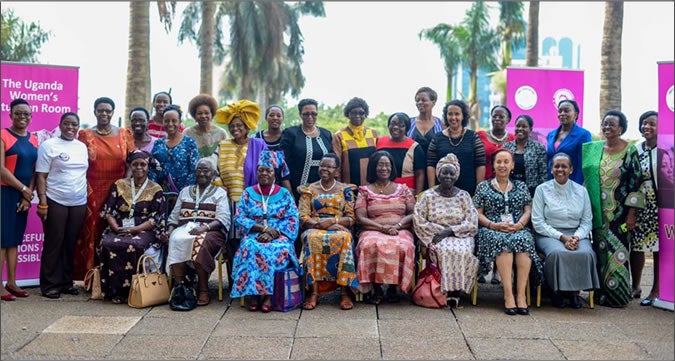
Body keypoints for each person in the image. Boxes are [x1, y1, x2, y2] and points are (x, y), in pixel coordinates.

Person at [582, 110, 643, 308]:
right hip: (597, 213)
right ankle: (600, 294)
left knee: (618, 253)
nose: (607, 127)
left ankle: (617, 296)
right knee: (600, 253)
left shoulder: (629, 150)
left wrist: (632, 214)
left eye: (612, 124)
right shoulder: (595, 149)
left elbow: (636, 183)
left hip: (621, 216)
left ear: (621, 128)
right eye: (605, 124)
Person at [473, 148, 543, 316]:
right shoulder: (483, 187)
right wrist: (492, 225)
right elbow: (477, 213)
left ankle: (521, 296)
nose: (502, 165)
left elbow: (528, 210)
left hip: (517, 228)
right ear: (493, 165)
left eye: (506, 162)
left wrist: (520, 224)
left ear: (512, 165)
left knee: (524, 241)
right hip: (491, 230)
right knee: (503, 243)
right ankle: (508, 295)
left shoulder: (521, 186)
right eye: (499, 162)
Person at [230, 151, 300, 312]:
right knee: (250, 247)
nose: (264, 173)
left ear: (274, 173)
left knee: (274, 249)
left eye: (268, 170)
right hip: (254, 233)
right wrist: (263, 229)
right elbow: (239, 217)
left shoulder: (284, 194)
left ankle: (268, 295)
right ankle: (253, 294)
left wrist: (271, 233)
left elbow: (292, 219)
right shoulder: (248, 193)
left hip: (279, 235)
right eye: (261, 170)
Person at [76, 97, 134, 281]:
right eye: (100, 110)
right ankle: (90, 278)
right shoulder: (85, 134)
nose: (104, 114)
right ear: (94, 112)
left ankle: (113, 277)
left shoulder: (124, 134)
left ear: (112, 112)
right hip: (92, 190)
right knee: (92, 232)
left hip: (118, 189)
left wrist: (125, 181)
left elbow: (133, 161)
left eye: (108, 110)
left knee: (116, 230)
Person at [532, 152, 599, 308]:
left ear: (571, 169)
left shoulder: (581, 191)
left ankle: (574, 293)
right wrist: (562, 237)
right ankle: (557, 292)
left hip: (577, 233)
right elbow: (538, 222)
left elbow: (587, 221)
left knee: (586, 253)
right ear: (551, 169)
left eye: (564, 166)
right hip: (548, 233)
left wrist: (575, 237)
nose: (560, 169)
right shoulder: (542, 190)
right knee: (557, 253)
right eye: (556, 166)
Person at [99, 150, 166, 304]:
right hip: (119, 226)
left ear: (148, 167)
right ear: (130, 166)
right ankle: (114, 291)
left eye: (143, 164)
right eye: (135, 164)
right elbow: (108, 211)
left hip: (144, 229)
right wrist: (115, 228)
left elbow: (155, 219)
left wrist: (134, 230)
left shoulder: (156, 189)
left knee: (135, 244)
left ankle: (135, 290)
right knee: (108, 243)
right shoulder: (119, 184)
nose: (139, 168)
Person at [413, 153, 479, 306]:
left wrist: (450, 230)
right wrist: (439, 231)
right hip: (435, 236)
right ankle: (440, 290)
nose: (448, 176)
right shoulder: (427, 196)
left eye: (451, 173)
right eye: (444, 172)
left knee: (462, 251)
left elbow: (472, 222)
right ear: (438, 174)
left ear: (456, 176)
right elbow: (419, 220)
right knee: (442, 249)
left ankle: (456, 291)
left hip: (460, 236)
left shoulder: (464, 196)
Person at [35, 112, 89, 299]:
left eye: (74, 124)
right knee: (54, 242)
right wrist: (42, 200)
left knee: (70, 243)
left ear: (78, 126)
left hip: (79, 202)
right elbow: (41, 175)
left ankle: (66, 282)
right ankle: (50, 284)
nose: (70, 127)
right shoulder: (48, 145)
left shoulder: (82, 147)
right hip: (55, 199)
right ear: (60, 125)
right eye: (66, 124)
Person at [165, 158, 230, 306]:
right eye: (199, 170)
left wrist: (204, 228)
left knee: (200, 242)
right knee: (175, 239)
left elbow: (222, 219)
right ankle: (180, 287)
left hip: (211, 231)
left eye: (206, 170)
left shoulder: (219, 193)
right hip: (185, 229)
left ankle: (203, 289)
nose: (202, 173)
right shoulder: (185, 191)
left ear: (213, 174)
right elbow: (174, 218)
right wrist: (169, 232)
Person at [298, 153, 358, 310]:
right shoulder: (309, 189)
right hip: (314, 227)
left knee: (345, 238)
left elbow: (351, 218)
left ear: (337, 171)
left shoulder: (345, 190)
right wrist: (323, 225)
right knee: (311, 239)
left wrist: (333, 221)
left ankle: (345, 292)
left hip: (339, 226)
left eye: (329, 167)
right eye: (322, 166)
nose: (324, 169)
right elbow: (303, 217)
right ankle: (314, 292)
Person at [355, 151, 416, 304]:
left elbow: (414, 213)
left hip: (399, 228)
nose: (384, 168)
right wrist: (382, 228)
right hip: (373, 228)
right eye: (380, 165)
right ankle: (376, 289)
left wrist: (398, 225)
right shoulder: (364, 190)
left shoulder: (403, 189)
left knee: (404, 245)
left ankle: (393, 288)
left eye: (387, 165)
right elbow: (360, 217)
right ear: (373, 168)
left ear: (392, 168)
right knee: (370, 245)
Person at [1, 98, 38, 301]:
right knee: (2, 241)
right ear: (10, 114)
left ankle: (12, 283)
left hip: (23, 195)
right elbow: (1, 170)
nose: (22, 117)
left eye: (26, 114)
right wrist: (24, 189)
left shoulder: (33, 139)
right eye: (18, 113)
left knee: (14, 240)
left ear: (31, 116)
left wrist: (27, 194)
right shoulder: (3, 135)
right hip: (5, 193)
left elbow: (34, 170)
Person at [631, 111, 661, 306]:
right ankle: (636, 286)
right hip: (639, 203)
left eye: (651, 124)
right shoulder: (635, 149)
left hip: (661, 204)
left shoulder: (667, 148)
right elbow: (631, 179)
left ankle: (656, 289)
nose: (646, 127)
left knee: (660, 249)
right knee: (636, 246)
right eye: (643, 123)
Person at [427, 99, 486, 196]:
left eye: (457, 114)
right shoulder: (437, 138)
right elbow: (431, 164)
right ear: (446, 116)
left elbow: (480, 164)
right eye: (450, 114)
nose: (453, 117)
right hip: (442, 193)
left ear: (463, 116)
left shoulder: (473, 137)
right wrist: (432, 190)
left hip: (469, 192)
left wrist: (478, 192)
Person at [279, 98, 333, 200]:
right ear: (300, 114)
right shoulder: (290, 133)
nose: (310, 117)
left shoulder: (326, 134)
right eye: (306, 114)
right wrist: (289, 194)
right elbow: (282, 165)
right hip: (296, 192)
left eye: (314, 114)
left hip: (323, 193)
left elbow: (333, 164)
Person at [150, 104, 200, 195]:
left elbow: (194, 169)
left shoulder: (189, 143)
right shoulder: (158, 143)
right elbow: (152, 168)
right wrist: (156, 190)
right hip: (161, 196)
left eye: (174, 121)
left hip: (184, 195)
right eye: (167, 121)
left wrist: (184, 193)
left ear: (180, 122)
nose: (170, 124)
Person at [332, 97, 378, 186]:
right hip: (349, 188)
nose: (357, 116)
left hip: (371, 188)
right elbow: (336, 166)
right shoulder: (339, 136)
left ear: (366, 114)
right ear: (348, 114)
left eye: (361, 113)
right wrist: (339, 187)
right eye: (354, 113)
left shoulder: (373, 133)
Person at [376, 112, 425, 195]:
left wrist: (417, 196)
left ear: (407, 128)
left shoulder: (414, 146)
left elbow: (420, 173)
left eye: (401, 125)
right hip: (381, 192)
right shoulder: (379, 142)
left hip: (406, 193)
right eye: (393, 124)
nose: (395, 127)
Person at [546, 99, 592, 185]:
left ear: (575, 114)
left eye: (566, 111)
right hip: (551, 184)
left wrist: (576, 186)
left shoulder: (584, 135)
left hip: (572, 183)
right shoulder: (551, 135)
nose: (562, 114)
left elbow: (584, 164)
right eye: (560, 111)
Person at [503, 114, 548, 197]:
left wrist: (539, 195)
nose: (520, 129)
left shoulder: (538, 147)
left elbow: (543, 174)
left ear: (530, 129)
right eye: (518, 126)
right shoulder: (506, 147)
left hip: (532, 193)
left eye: (524, 126)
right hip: (509, 191)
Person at [408, 87, 443, 189]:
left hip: (435, 173)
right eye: (417, 100)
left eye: (423, 100)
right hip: (412, 172)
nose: (420, 103)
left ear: (433, 102)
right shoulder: (409, 123)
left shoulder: (441, 124)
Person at [477, 105, 516, 180]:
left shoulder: (514, 139)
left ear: (508, 119)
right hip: (484, 182)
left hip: (506, 183)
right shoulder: (479, 136)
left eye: (501, 117)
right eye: (494, 116)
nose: (497, 119)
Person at [183, 94, 227, 158]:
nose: (203, 116)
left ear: (212, 114)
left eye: (206, 113)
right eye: (199, 113)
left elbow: (226, 155)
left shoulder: (221, 133)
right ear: (194, 116)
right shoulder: (187, 133)